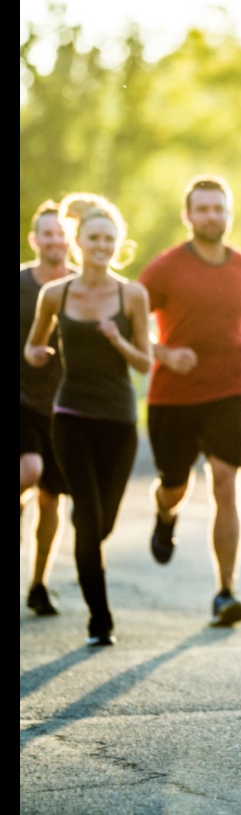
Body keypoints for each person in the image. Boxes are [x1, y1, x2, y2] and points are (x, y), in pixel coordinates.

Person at [138, 175, 241, 628]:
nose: (212, 216)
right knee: (176, 484)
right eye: (203, 209)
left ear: (228, 213)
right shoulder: (164, 269)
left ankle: (225, 591)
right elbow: (130, 324)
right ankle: (165, 510)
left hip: (228, 391)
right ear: (188, 216)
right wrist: (163, 353)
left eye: (219, 208)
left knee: (225, 481)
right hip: (172, 396)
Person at [25, 195, 152, 646]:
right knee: (87, 523)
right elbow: (32, 345)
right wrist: (36, 354)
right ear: (78, 241)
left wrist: (118, 339)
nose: (101, 245)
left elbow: (144, 364)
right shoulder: (55, 294)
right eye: (93, 237)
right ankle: (100, 620)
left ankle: (90, 525)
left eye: (109, 239)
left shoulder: (131, 294)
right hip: (70, 416)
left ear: (118, 244)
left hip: (118, 421)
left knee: (101, 523)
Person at [20, 200, 75, 618]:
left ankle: (38, 583)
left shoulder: (82, 286)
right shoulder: (20, 284)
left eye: (61, 233)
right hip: (21, 399)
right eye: (48, 234)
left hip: (64, 405)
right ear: (34, 240)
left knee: (51, 500)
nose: (55, 240)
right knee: (30, 472)